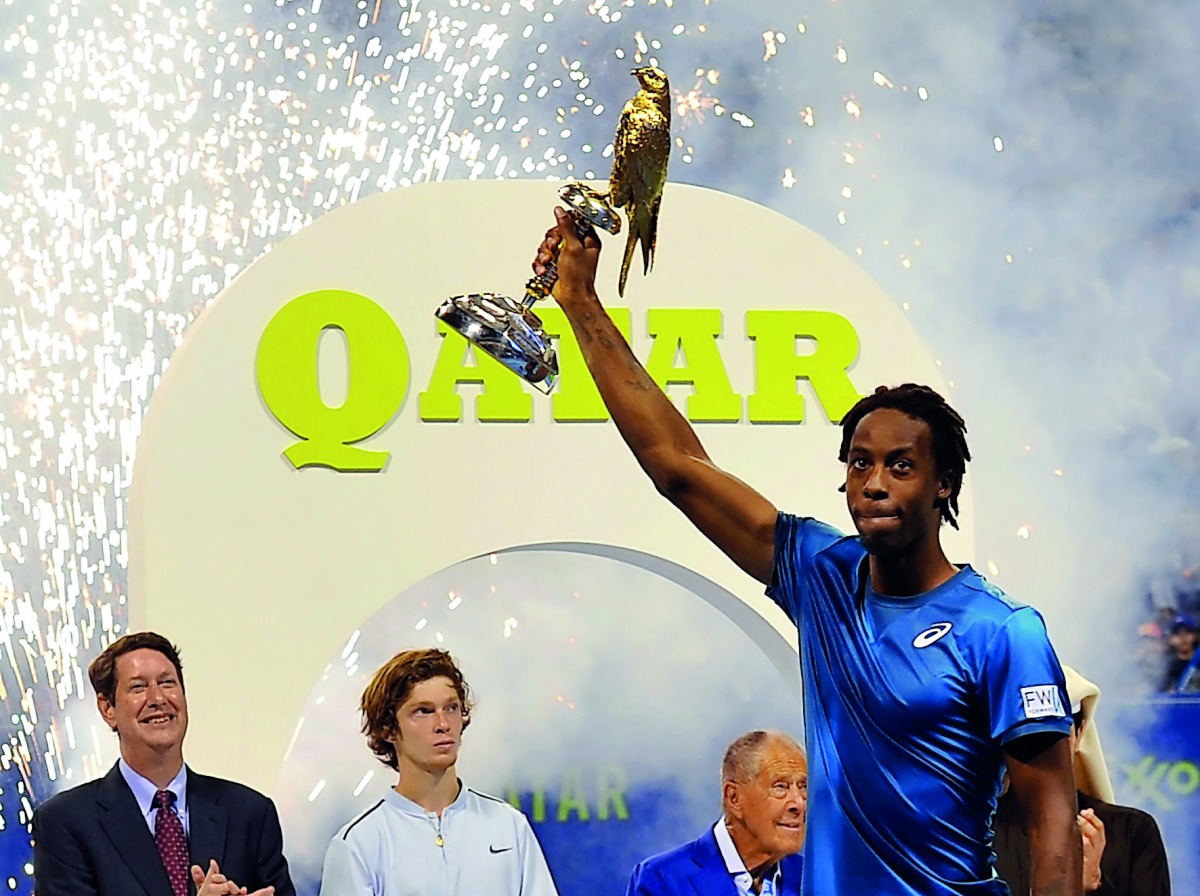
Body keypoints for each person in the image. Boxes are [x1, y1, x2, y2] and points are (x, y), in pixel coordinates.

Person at [532, 213, 1082, 896]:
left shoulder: (1002, 631)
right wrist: (581, 302)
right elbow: (676, 466)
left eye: (901, 466)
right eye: (859, 462)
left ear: (943, 483)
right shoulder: (822, 574)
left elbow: (1052, 822)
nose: (873, 482)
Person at [32, 631, 295, 896]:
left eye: (168, 683)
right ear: (107, 709)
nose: (158, 699)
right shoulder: (65, 822)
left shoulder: (249, 814)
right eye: (138, 687)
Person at [319, 648, 558, 895]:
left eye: (451, 708)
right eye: (424, 711)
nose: (443, 724)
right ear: (389, 729)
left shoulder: (509, 826)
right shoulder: (359, 843)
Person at [994, 666, 1172, 895]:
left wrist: (1091, 886)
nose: (1040, 750)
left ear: (1079, 734)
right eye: (1026, 736)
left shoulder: (1131, 833)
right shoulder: (973, 835)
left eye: (1054, 736)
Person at [626, 730, 805, 896]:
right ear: (734, 798)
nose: (799, 803)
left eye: (803, 786)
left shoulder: (810, 878)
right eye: (780, 787)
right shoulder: (663, 880)